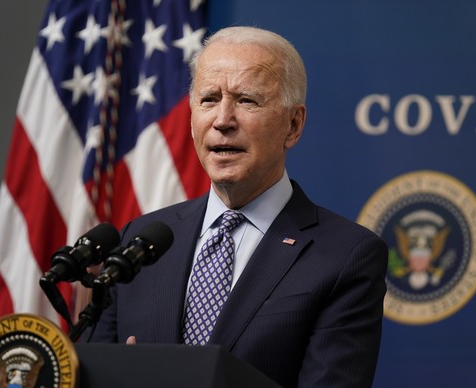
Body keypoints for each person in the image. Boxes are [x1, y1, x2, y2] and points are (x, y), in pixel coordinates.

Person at [91, 26, 388, 388]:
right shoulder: (140, 241)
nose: (222, 120)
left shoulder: (346, 257)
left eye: (246, 100)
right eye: (208, 99)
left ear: (293, 126)